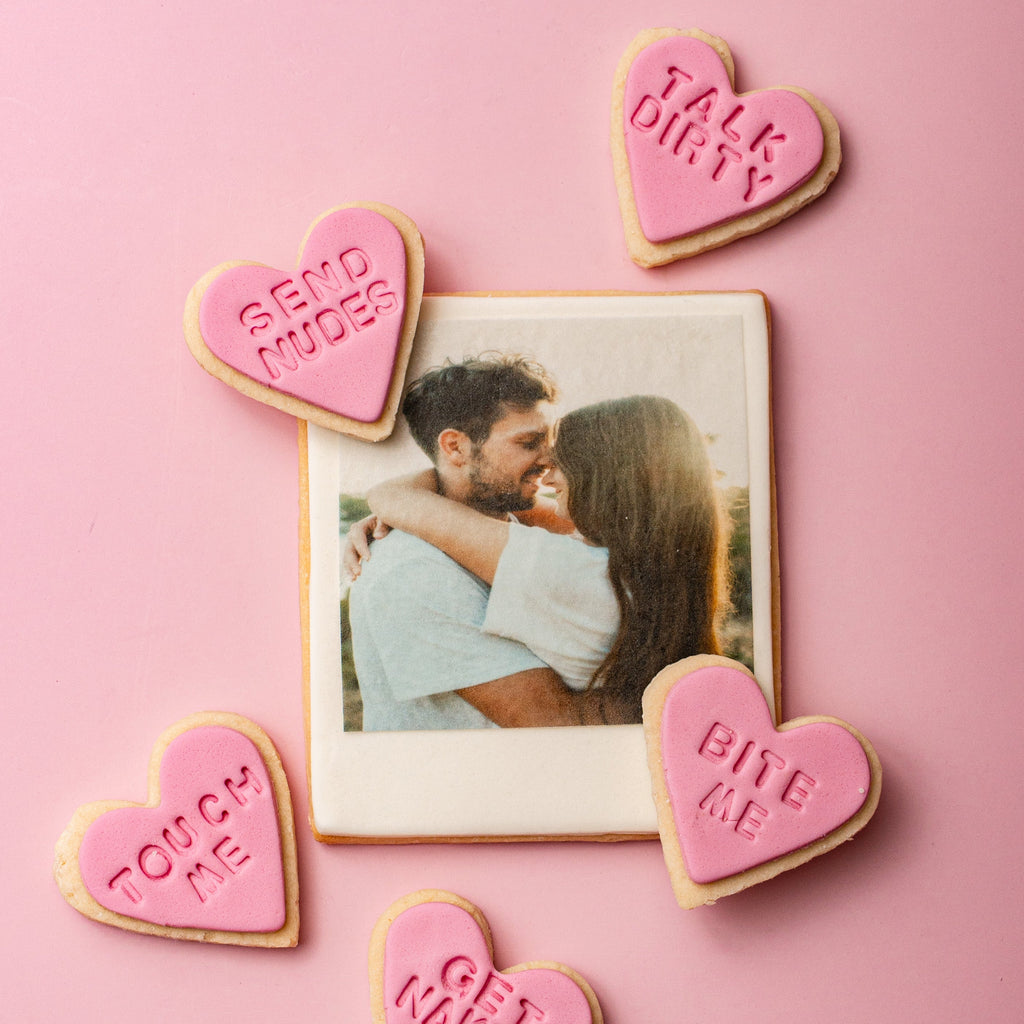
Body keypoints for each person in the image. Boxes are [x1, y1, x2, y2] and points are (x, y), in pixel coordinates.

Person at [362, 393, 732, 725]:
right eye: (528, 444)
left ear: (604, 478)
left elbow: (395, 497)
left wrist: (418, 496)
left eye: (563, 462)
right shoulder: (653, 565)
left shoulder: (571, 570)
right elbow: (532, 515)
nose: (548, 473)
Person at [347, 353, 610, 731]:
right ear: (455, 447)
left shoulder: (530, 533)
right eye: (529, 442)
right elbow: (549, 718)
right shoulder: (413, 568)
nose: (550, 457)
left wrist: (398, 496)